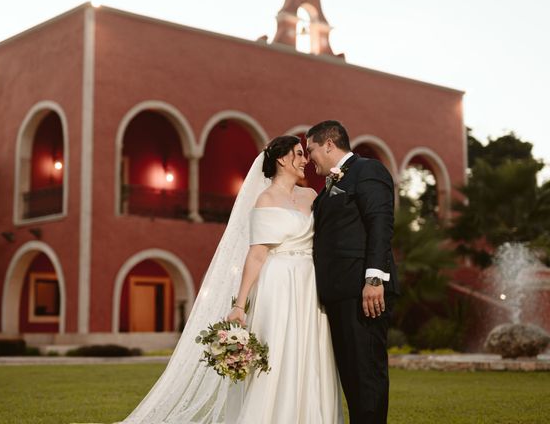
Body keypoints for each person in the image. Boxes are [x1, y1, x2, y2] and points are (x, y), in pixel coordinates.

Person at [118, 135, 343, 424]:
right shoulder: (265, 201)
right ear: (282, 160)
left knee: (311, 354)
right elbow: (257, 256)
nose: (305, 160)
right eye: (299, 154)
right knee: (279, 354)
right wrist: (239, 305)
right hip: (278, 285)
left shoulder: (312, 195)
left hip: (310, 284)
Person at [306, 120, 399, 424]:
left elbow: (380, 224)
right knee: (352, 378)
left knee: (366, 375)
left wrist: (374, 279)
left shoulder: (368, 170)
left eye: (312, 150)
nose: (310, 158)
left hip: (362, 291)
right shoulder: (330, 184)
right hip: (338, 293)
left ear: (329, 144)